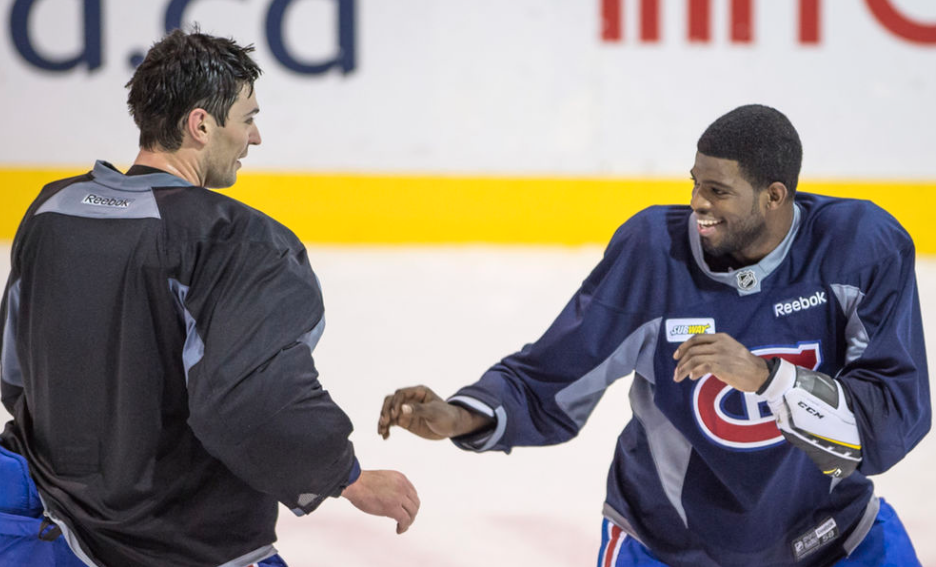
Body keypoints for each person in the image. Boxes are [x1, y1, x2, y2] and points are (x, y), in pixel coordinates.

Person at [378, 104, 930, 566]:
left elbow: (888, 421)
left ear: (775, 196)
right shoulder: (653, 255)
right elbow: (553, 375)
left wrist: (766, 380)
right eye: (694, 184)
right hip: (669, 550)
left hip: (834, 540)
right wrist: (462, 414)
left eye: (717, 191)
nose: (697, 205)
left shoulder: (861, 251)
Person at [0, 29, 418, 567]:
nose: (256, 137)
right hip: (179, 544)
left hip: (46, 534)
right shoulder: (237, 240)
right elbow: (250, 401)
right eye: (247, 118)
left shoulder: (54, 210)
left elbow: (15, 375)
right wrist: (346, 476)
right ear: (201, 124)